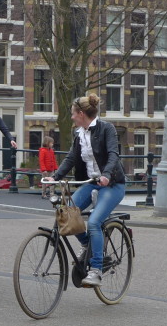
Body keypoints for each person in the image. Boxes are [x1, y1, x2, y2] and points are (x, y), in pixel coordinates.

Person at [41, 93, 126, 287]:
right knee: (66, 213)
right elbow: (71, 158)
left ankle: (96, 270)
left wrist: (106, 174)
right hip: (91, 182)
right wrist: (55, 178)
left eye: (73, 114)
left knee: (94, 221)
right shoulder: (79, 133)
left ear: (81, 114)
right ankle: (88, 244)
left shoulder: (107, 129)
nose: (71, 117)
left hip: (112, 184)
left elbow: (113, 154)